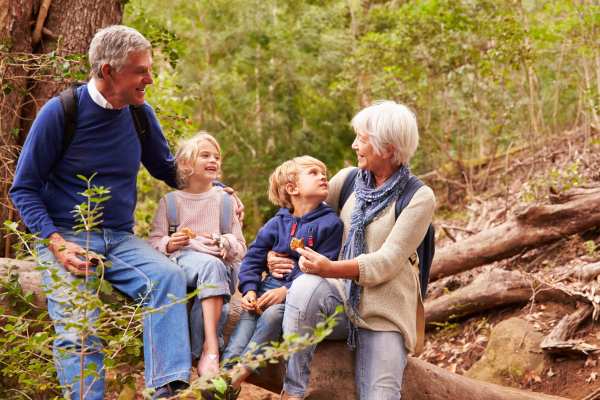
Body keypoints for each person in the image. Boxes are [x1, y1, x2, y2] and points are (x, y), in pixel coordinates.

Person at [10, 25, 198, 399]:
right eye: (140, 70)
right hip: (67, 236)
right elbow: (24, 188)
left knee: (167, 279)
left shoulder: (139, 115)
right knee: (79, 328)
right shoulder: (61, 112)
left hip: (120, 239)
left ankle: (166, 389)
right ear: (108, 71)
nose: (149, 78)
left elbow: (167, 170)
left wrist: (218, 191)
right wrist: (56, 243)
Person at [268, 101, 436, 400]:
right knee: (305, 286)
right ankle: (292, 392)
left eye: (362, 138)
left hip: (384, 314)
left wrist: (330, 268)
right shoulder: (346, 181)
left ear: (386, 147)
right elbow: (298, 217)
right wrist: (273, 253)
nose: (354, 144)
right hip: (338, 301)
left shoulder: (419, 197)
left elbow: (386, 262)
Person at [221, 156, 343, 390]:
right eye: (314, 172)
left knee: (274, 315)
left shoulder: (330, 225)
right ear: (292, 188)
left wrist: (286, 291)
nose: (323, 176)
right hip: (266, 287)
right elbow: (254, 256)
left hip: (297, 296)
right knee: (247, 319)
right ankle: (223, 379)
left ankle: (241, 372)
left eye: (323, 172)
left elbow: (323, 270)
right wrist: (249, 290)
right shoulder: (277, 222)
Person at [148, 132, 246, 377]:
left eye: (217, 156)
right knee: (211, 269)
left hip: (222, 267)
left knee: (214, 268)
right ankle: (211, 348)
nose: (213, 160)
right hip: (184, 263)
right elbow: (154, 243)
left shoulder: (226, 202)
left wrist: (227, 241)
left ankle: (195, 355)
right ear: (185, 164)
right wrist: (171, 243)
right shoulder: (171, 202)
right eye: (205, 155)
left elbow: (242, 249)